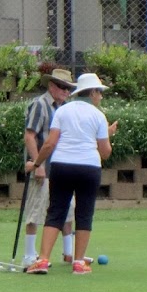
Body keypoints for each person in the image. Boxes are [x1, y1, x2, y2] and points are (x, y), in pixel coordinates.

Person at [25, 73, 117, 275]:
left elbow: (50, 143)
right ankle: (79, 263)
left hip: (62, 166)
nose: (101, 97)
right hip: (89, 168)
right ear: (92, 93)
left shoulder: (63, 111)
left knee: (55, 211)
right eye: (99, 92)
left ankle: (42, 260)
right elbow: (105, 152)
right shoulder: (98, 115)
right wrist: (105, 137)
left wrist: (37, 163)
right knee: (84, 213)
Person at [21, 68, 82, 268]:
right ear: (51, 86)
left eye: (68, 88)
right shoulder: (40, 104)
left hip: (62, 167)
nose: (65, 91)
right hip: (44, 166)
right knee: (36, 209)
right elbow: (30, 136)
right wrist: (37, 164)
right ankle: (29, 254)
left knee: (68, 208)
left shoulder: (66, 108)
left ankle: (69, 253)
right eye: (62, 87)